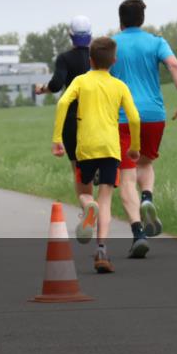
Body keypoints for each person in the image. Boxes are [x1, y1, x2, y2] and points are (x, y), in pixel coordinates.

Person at [111, 0, 177, 257]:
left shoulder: (112, 44)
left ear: (121, 20)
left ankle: (138, 233)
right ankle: (147, 197)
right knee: (145, 163)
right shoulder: (157, 42)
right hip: (153, 114)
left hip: (122, 117)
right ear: (142, 20)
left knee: (126, 175)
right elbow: (175, 66)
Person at [52, 37, 141, 272]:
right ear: (114, 60)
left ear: (90, 59)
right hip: (111, 148)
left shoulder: (81, 81)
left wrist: (57, 139)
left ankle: (87, 205)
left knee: (84, 191)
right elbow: (133, 117)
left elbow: (62, 104)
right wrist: (135, 146)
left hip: (86, 148)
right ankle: (101, 251)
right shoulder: (120, 86)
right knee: (106, 200)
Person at [36, 15, 95, 232]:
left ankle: (88, 204)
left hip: (73, 120)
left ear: (70, 35)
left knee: (79, 168)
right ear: (91, 36)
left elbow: (57, 83)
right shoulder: (99, 57)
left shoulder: (64, 59)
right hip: (99, 118)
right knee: (98, 160)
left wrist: (42, 88)